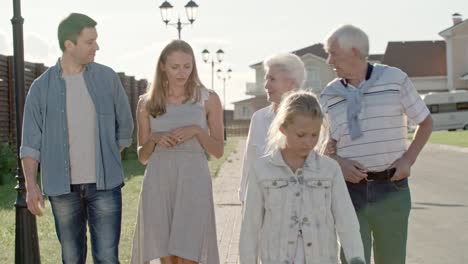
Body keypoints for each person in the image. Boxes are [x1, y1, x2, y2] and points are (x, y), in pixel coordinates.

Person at [20, 13, 134, 263]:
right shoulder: (40, 89)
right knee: (71, 258)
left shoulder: (107, 78)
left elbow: (125, 125)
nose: (97, 47)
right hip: (62, 190)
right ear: (69, 45)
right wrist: (31, 185)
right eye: (90, 42)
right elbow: (30, 142)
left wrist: (110, 154)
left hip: (105, 186)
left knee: (107, 257)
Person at [320, 24, 433, 264]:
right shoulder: (329, 95)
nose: (328, 60)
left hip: (392, 189)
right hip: (349, 193)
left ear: (354, 52)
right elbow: (321, 146)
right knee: (353, 259)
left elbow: (425, 122)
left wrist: (408, 160)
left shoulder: (395, 79)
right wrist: (337, 162)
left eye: (332, 52)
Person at [239, 91, 365, 264]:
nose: (308, 141)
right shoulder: (260, 170)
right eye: (301, 135)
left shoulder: (330, 170)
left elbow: (347, 222)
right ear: (283, 127)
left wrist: (356, 259)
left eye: (314, 135)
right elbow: (250, 228)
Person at [130, 40, 224, 264]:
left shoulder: (208, 99)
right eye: (175, 67)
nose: (182, 73)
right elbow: (143, 157)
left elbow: (218, 151)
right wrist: (154, 138)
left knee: (188, 254)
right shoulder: (147, 102)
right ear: (162, 66)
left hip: (194, 180)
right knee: (167, 257)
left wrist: (197, 132)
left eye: (187, 66)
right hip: (159, 180)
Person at [238, 53, 306, 203]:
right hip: (262, 203)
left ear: (292, 83)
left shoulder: (311, 119)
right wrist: (244, 196)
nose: (266, 85)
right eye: (266, 78)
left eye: (272, 79)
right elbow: (250, 161)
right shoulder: (258, 118)